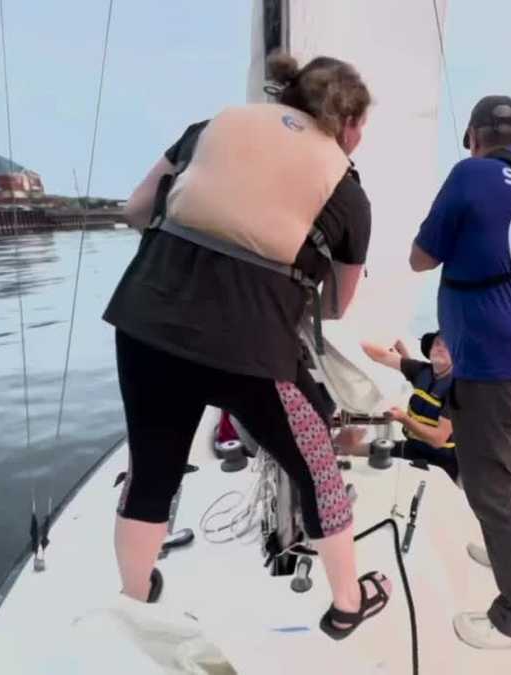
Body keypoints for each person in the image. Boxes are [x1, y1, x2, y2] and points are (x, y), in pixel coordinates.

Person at [103, 52, 392, 640]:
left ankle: (135, 597)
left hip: (148, 324)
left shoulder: (208, 128)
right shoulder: (347, 191)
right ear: (348, 121)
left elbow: (136, 209)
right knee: (318, 468)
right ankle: (345, 604)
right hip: (254, 352)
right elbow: (337, 304)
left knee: (151, 471)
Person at [409, 95, 511, 649]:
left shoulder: (469, 174)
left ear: (473, 136)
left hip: (493, 368)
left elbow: (420, 257)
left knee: (491, 488)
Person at [340, 331, 459, 483]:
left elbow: (438, 440)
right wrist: (347, 340)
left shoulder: (457, 389)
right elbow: (382, 356)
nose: (440, 347)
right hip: (415, 448)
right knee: (351, 449)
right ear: (429, 350)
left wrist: (403, 418)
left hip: (446, 461)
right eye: (437, 343)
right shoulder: (422, 371)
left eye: (447, 345)